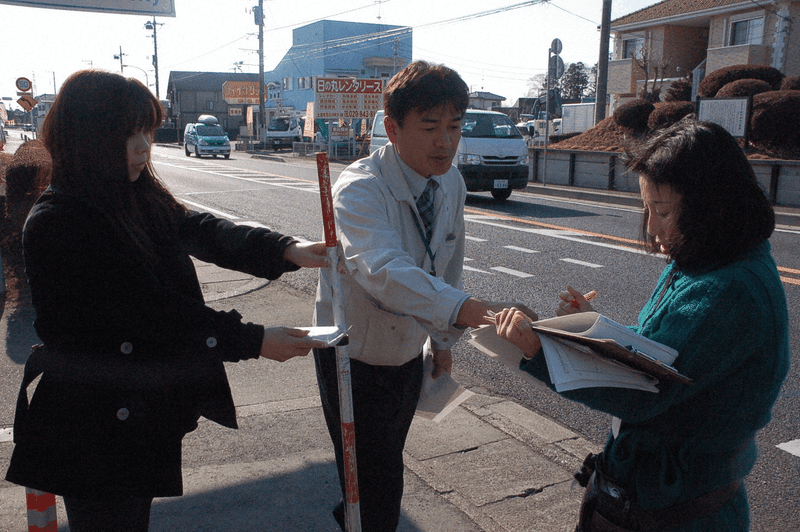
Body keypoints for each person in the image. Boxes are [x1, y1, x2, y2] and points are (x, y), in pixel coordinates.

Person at [4, 69, 330, 532]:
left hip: (131, 416)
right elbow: (151, 314)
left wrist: (284, 249)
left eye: (148, 131)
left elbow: (201, 229)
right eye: (127, 133)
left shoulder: (129, 194)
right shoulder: (58, 222)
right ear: (86, 138)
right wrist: (253, 339)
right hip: (92, 428)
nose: (143, 146)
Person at [494, 118, 789, 532]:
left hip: (679, 512)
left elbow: (646, 390)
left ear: (711, 205)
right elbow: (661, 353)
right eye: (646, 208)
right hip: (663, 499)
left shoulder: (730, 289)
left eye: (662, 210)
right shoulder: (708, 259)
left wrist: (540, 352)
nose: (651, 228)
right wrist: (588, 330)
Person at [312, 60, 536, 531]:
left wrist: (444, 343)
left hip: (407, 351)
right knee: (370, 484)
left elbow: (449, 264)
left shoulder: (451, 182)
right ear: (392, 129)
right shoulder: (360, 188)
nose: (446, 141)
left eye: (455, 126)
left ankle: (356, 517)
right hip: (351, 354)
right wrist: (468, 310)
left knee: (382, 469)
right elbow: (382, 269)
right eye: (431, 126)